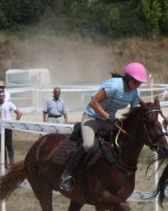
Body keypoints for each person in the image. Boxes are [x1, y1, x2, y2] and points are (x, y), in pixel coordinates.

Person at [60, 62, 148, 193]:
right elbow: (94, 103)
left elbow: (133, 114)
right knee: (89, 145)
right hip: (91, 118)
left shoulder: (135, 92)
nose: (137, 85)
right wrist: (109, 117)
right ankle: (67, 174)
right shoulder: (113, 86)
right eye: (136, 82)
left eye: (140, 83)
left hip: (109, 121)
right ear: (128, 78)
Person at [0, 90, 22, 164]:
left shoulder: (9, 104)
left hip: (7, 128)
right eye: (0, 96)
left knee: (9, 145)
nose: (1, 97)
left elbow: (19, 113)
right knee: (1, 146)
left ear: (4, 97)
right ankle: (4, 163)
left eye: (3, 96)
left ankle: (11, 163)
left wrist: (14, 123)